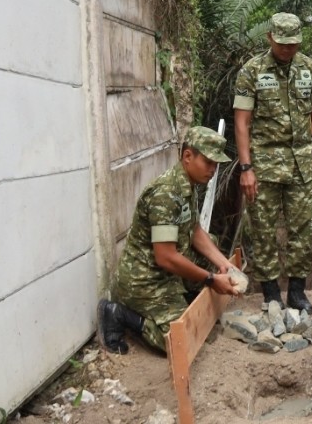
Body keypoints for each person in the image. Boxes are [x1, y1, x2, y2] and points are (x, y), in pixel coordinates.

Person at [97, 127, 240, 354]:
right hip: (145, 279)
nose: (213, 170)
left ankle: (184, 299)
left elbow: (194, 229)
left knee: (210, 245)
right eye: (208, 162)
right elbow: (165, 257)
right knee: (181, 343)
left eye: (216, 164)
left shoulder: (187, 184)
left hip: (167, 272)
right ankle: (119, 314)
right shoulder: (166, 193)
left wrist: (224, 263)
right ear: (187, 157)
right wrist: (212, 279)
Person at [234, 12, 312, 313]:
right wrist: (246, 168)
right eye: (283, 44)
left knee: (303, 228)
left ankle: (297, 292)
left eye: (294, 44)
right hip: (265, 163)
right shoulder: (251, 71)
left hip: (301, 161)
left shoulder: (310, 68)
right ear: (270, 38)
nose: (288, 49)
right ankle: (271, 293)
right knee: (263, 230)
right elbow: (241, 122)